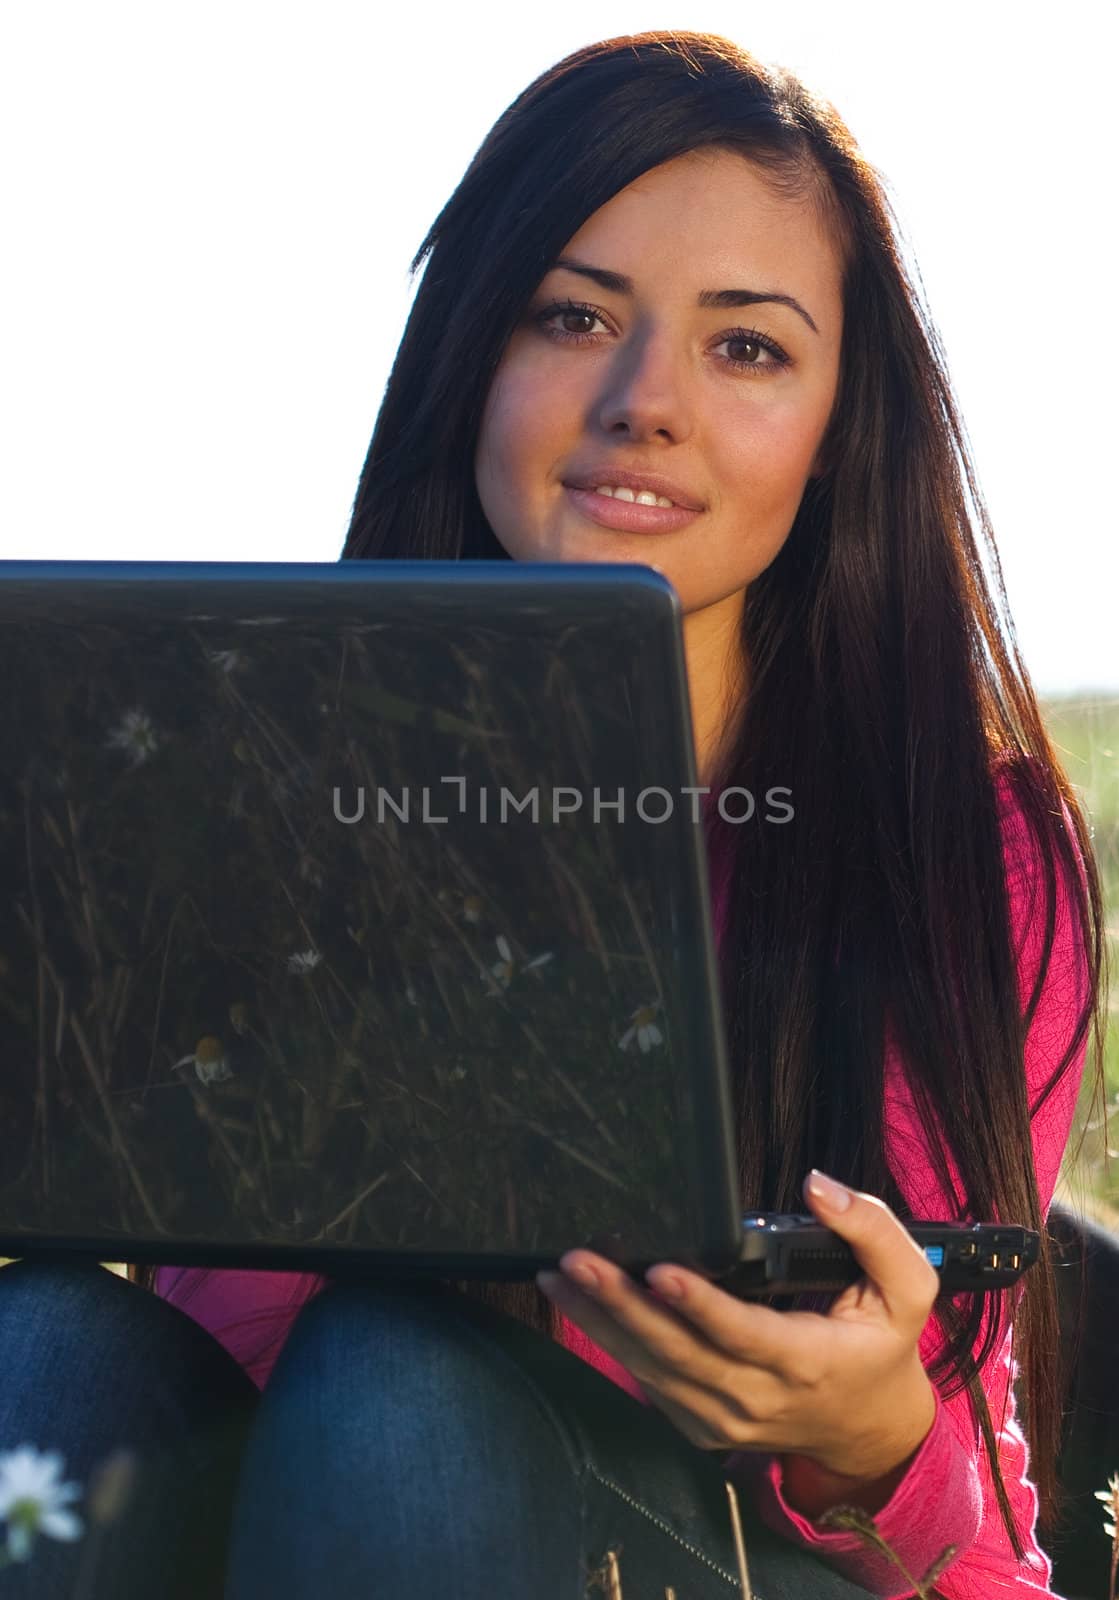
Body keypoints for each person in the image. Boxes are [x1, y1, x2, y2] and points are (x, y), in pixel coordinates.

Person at [0, 29, 1107, 1600]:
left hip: (757, 1560)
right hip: (297, 1514)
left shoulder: (958, 849)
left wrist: (870, 1442)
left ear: (838, 423)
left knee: (399, 1390)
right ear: (472, 358)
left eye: (747, 348)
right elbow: (205, 1370)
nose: (643, 402)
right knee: (45, 1342)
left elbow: (974, 1535)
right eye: (573, 316)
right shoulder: (271, 784)